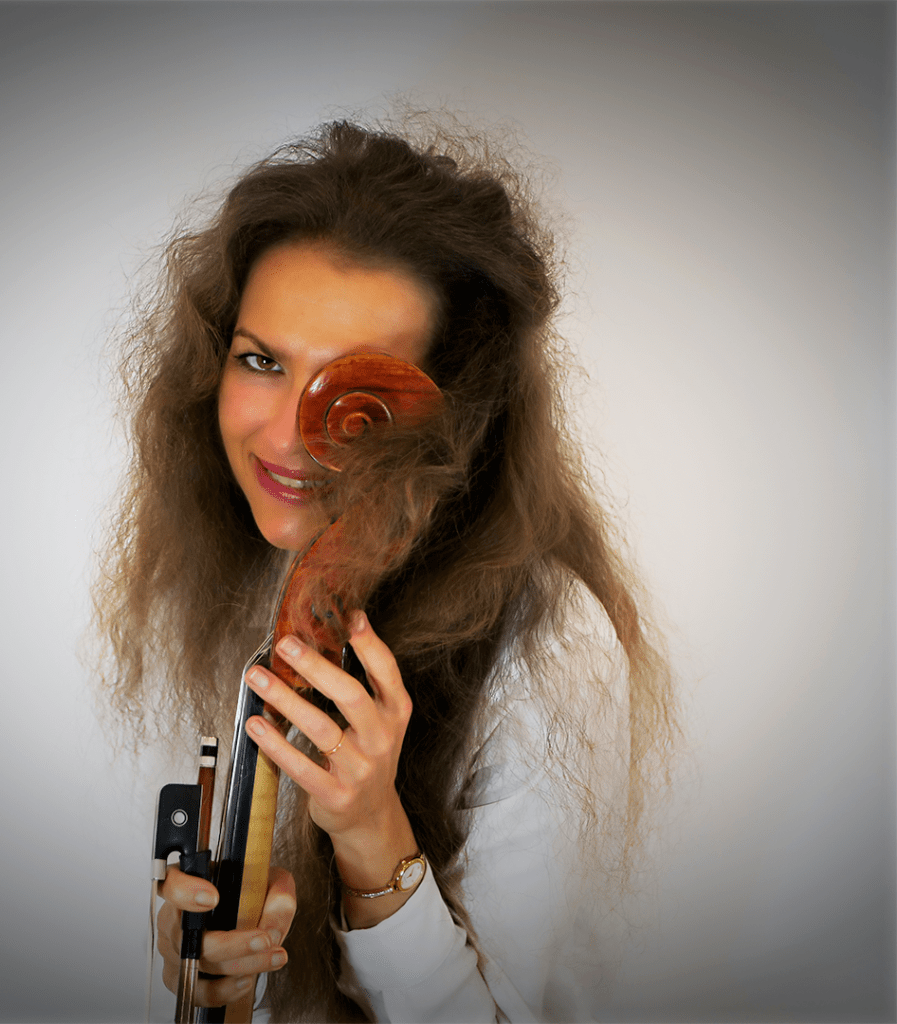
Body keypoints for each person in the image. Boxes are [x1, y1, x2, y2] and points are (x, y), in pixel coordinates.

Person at [94, 116, 678, 1022]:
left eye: (353, 388)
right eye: (261, 361)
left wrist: (371, 833)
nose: (289, 437)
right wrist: (207, 966)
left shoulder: (556, 652)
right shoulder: (240, 563)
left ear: (453, 412)